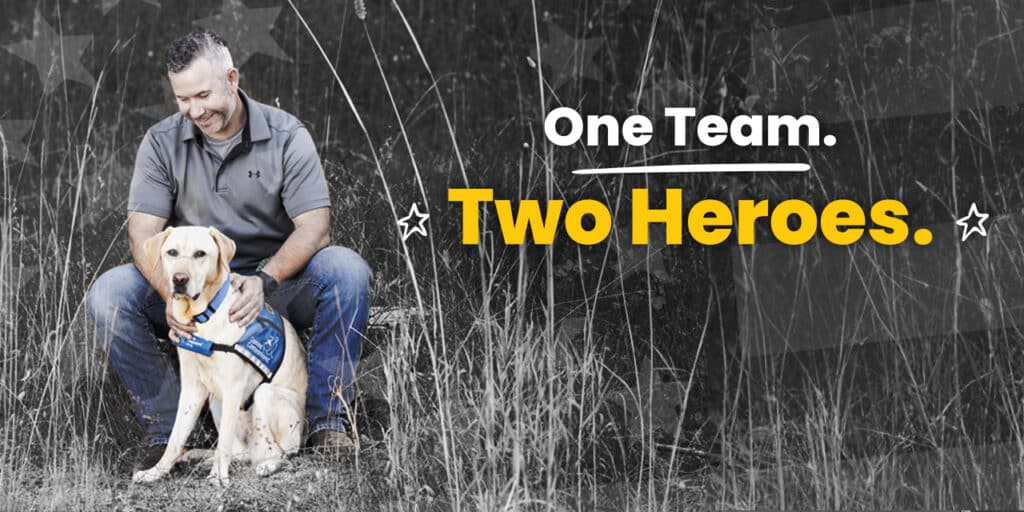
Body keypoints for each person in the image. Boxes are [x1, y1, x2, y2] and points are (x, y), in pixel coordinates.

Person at [85, 31, 371, 468]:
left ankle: (326, 423)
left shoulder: (286, 135)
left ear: (232, 79)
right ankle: (170, 433)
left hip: (276, 286)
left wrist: (263, 280)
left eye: (203, 94)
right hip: (195, 287)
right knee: (108, 294)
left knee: (347, 271)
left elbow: (315, 228)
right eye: (183, 99)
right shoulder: (161, 143)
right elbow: (144, 237)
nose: (195, 110)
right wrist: (172, 295)